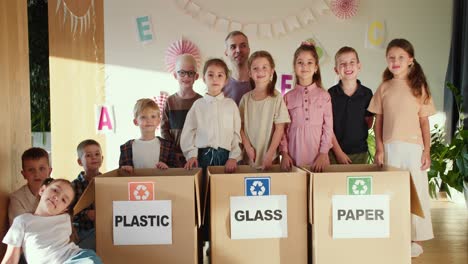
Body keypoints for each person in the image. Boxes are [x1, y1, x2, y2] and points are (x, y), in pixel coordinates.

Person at [368, 38, 435, 258]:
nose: (395, 61)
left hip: (414, 149)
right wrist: (379, 148)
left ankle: (414, 239)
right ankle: (394, 235)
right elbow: (378, 122)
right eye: (391, 57)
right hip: (390, 148)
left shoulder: (419, 88)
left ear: (410, 60)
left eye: (400, 57)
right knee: (391, 193)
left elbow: (424, 122)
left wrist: (426, 151)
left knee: (416, 193)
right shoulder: (384, 87)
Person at [2, 179, 103, 264]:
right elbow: (10, 259)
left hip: (77, 259)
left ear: (64, 210)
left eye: (64, 200)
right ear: (42, 190)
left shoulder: (65, 218)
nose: (57, 198)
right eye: (55, 190)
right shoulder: (22, 221)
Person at [181, 58, 242, 172]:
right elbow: (189, 132)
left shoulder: (231, 105)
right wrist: (191, 155)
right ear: (204, 78)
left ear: (226, 80)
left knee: (222, 188)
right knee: (204, 189)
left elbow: (236, 134)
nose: (215, 79)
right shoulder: (198, 105)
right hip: (201, 157)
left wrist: (234, 157)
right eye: (210, 75)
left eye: (220, 75)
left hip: (226, 158)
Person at [280, 42, 333, 172]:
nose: (305, 66)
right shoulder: (287, 97)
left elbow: (328, 127)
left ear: (316, 68)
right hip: (294, 157)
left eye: (309, 62)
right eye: (300, 62)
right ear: (294, 67)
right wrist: (284, 153)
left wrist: (323, 153)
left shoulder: (324, 96)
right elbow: (282, 129)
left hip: (319, 158)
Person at [239, 50, 290, 169]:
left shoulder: (276, 98)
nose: (260, 71)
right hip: (249, 158)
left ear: (272, 71)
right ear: (250, 73)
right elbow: (239, 127)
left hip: (270, 159)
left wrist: (270, 154)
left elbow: (279, 129)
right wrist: (247, 147)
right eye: (255, 68)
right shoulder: (245, 99)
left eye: (264, 67)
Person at [328, 46, 374, 164]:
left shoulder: (367, 94)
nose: (348, 66)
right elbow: (328, 127)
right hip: (334, 152)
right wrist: (338, 153)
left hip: (360, 152)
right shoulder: (330, 94)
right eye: (342, 64)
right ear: (336, 70)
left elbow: (369, 122)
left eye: (352, 62)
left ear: (359, 66)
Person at [161, 54, 202, 167]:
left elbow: (204, 131)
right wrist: (173, 151)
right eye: (182, 72)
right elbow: (164, 130)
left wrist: (194, 153)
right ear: (175, 75)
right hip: (175, 157)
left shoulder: (201, 102)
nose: (186, 77)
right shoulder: (170, 102)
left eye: (190, 73)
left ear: (196, 76)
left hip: (196, 157)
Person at [119, 99, 175, 173]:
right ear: (136, 122)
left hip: (161, 184)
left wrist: (167, 168)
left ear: (159, 121)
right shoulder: (126, 147)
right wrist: (125, 170)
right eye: (143, 117)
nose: (149, 120)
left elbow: (174, 172)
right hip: (136, 184)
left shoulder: (168, 146)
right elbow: (120, 175)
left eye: (153, 116)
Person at [71, 139, 103, 251]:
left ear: (102, 159)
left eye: (97, 154)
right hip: (81, 231)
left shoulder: (107, 182)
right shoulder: (73, 186)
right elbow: (69, 213)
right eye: (88, 155)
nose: (94, 157)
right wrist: (87, 214)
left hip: (103, 230)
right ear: (80, 162)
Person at [8, 147, 52, 225]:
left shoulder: (57, 194)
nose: (37, 174)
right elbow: (20, 228)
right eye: (31, 170)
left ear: (50, 171)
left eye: (41, 169)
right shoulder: (17, 199)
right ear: (24, 174)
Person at [223, 31, 252, 105]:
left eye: (243, 46)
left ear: (249, 49)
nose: (238, 50)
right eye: (233, 47)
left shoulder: (260, 82)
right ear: (226, 52)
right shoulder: (219, 83)